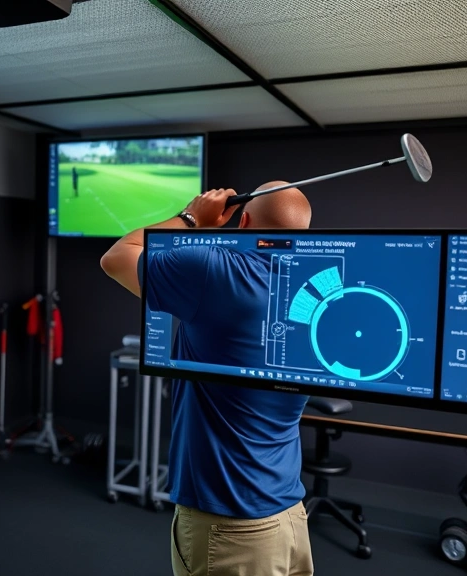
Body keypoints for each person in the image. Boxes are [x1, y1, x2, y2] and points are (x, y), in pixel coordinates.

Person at [100, 183, 315, 576]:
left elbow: (117, 257)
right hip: (289, 515)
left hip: (229, 526)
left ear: (244, 219)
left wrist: (192, 218)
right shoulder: (312, 292)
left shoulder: (217, 272)